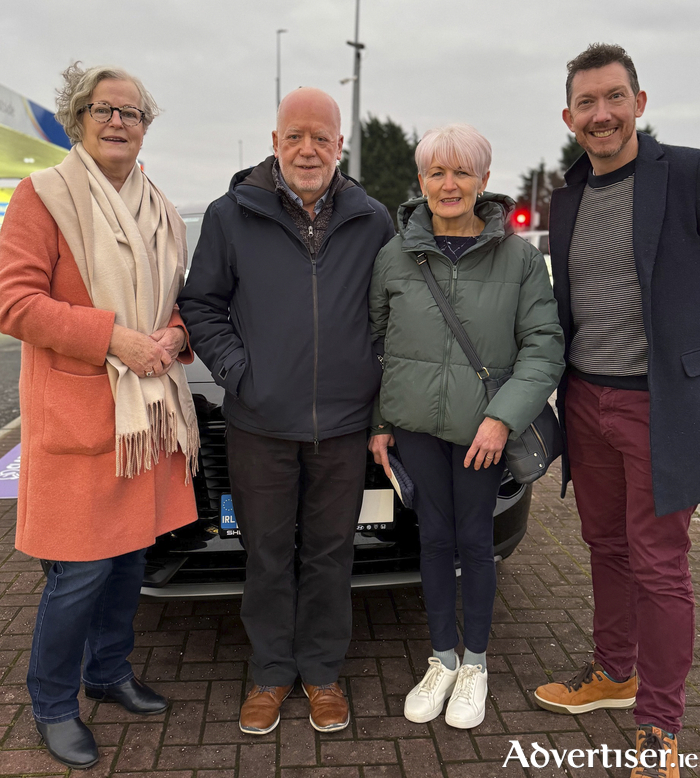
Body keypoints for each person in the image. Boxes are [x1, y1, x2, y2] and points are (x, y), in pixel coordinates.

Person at [0, 63, 199, 769]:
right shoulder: (43, 196)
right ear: (77, 116)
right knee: (79, 574)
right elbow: (15, 304)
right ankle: (53, 705)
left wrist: (175, 334)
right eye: (103, 109)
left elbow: (174, 302)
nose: (118, 122)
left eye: (133, 112)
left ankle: (108, 674)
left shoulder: (159, 206)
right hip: (86, 419)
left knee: (126, 564)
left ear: (147, 127)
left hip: (144, 421)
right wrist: (113, 337)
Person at [178, 87, 394, 735]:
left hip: (342, 427)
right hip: (259, 425)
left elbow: (387, 318)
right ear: (274, 142)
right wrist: (243, 375)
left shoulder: (371, 218)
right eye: (294, 135)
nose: (308, 149)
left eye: (321, 137)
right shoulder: (229, 215)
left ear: (339, 145)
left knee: (331, 554)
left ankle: (322, 673)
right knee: (268, 554)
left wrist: (374, 388)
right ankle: (272, 673)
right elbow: (202, 306)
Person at [533, 43, 700, 777]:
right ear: (570, 117)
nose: (601, 114)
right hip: (584, 399)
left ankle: (660, 725)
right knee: (604, 546)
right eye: (587, 104)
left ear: (639, 101)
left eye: (614, 98)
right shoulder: (565, 199)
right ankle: (614, 671)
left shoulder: (687, 175)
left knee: (660, 567)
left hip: (659, 403)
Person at [369, 124, 564, 729]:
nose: (448, 184)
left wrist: (502, 419)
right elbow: (377, 343)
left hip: (484, 432)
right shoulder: (395, 255)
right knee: (432, 540)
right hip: (416, 429)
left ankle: (475, 663)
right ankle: (442, 658)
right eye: (436, 172)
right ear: (421, 181)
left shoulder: (521, 258)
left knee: (477, 544)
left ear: (484, 178)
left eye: (461, 172)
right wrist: (380, 421)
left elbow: (544, 348)